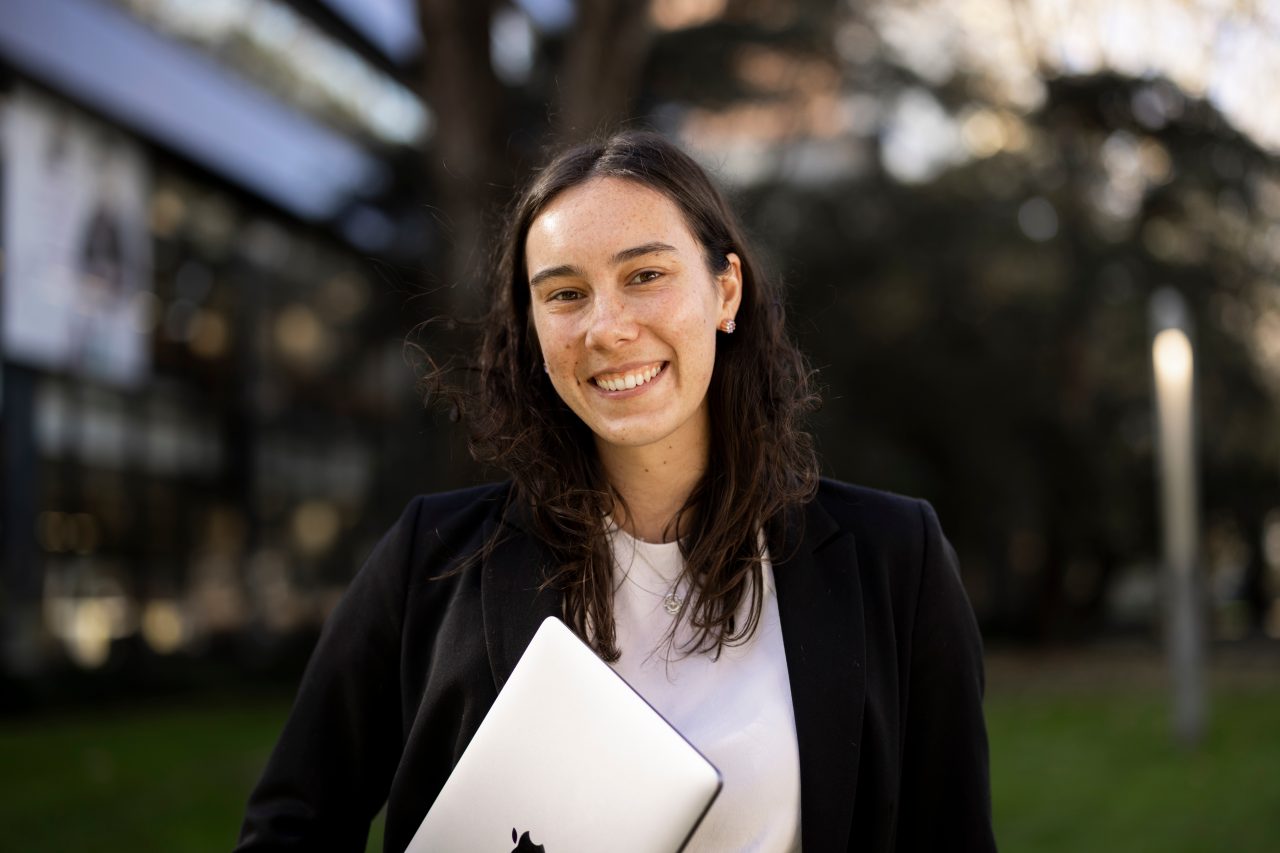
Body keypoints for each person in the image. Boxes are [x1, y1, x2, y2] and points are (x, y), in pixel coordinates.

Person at [235, 131, 996, 852]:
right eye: (565, 294)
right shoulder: (431, 558)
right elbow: (289, 827)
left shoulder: (896, 558)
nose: (608, 326)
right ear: (533, 326)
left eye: (645, 275)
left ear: (726, 290)